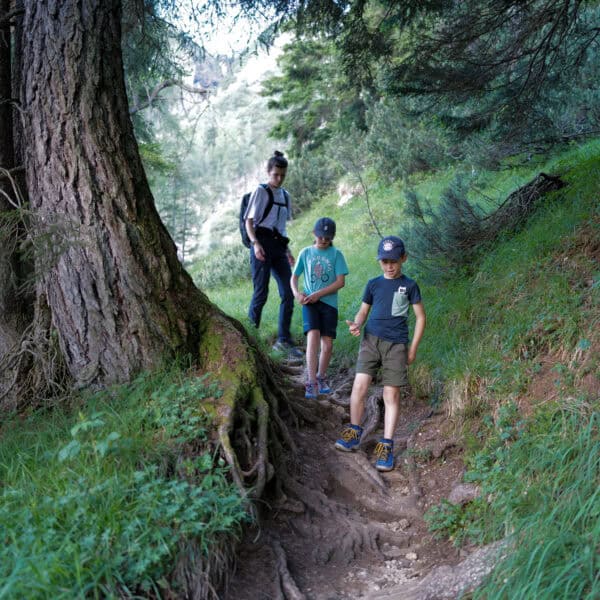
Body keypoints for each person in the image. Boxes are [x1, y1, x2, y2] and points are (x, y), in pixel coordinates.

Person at [334, 236, 426, 472]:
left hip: (396, 345)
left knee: (391, 394)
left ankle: (386, 446)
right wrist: (356, 324)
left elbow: (420, 317)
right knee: (359, 387)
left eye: (394, 261)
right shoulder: (373, 284)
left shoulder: (410, 285)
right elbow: (363, 311)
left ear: (403, 259)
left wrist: (412, 348)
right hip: (370, 341)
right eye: (384, 261)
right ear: (379, 262)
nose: (389, 266)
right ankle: (354, 432)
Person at [244, 150, 303, 358]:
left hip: (278, 246)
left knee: (289, 292)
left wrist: (287, 250)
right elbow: (249, 221)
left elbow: (281, 227)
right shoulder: (260, 191)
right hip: (261, 243)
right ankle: (249, 341)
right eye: (275, 174)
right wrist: (256, 244)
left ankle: (284, 340)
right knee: (261, 293)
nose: (279, 179)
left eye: (282, 175)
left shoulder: (285, 196)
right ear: (268, 172)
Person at [291, 217, 349, 399]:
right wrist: (296, 294)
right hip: (310, 303)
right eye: (321, 236)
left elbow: (340, 282)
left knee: (328, 345)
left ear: (332, 237)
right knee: (312, 338)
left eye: (328, 237)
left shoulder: (336, 254)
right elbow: (294, 277)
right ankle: (311, 381)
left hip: (329, 304)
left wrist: (320, 294)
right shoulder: (305, 253)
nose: (324, 240)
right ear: (314, 234)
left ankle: (321, 376)